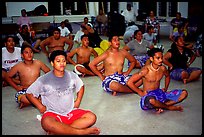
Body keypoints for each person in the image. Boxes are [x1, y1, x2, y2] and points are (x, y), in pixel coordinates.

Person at [26, 50, 100, 135]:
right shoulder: (44, 79)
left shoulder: (71, 75)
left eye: (64, 61)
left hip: (70, 112)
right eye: (58, 61)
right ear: (52, 63)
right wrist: (40, 106)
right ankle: (81, 132)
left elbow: (81, 86)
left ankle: (61, 131)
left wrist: (78, 101)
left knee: (91, 117)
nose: (62, 63)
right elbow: (29, 93)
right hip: (53, 114)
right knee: (46, 122)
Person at [127, 48, 188, 113]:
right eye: (158, 58)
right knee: (151, 101)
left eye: (162, 58)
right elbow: (129, 82)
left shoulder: (162, 68)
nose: (161, 60)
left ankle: (159, 106)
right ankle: (168, 107)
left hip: (160, 94)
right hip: (149, 96)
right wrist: (140, 92)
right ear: (151, 59)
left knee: (184, 93)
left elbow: (167, 76)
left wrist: (166, 88)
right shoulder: (145, 70)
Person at [4, 45, 50, 109]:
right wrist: (16, 87)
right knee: (22, 98)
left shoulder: (38, 63)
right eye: (26, 52)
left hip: (38, 90)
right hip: (25, 90)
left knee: (50, 94)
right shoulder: (18, 66)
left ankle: (31, 102)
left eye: (31, 52)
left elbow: (49, 72)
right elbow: (7, 76)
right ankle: (37, 101)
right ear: (22, 55)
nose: (29, 54)